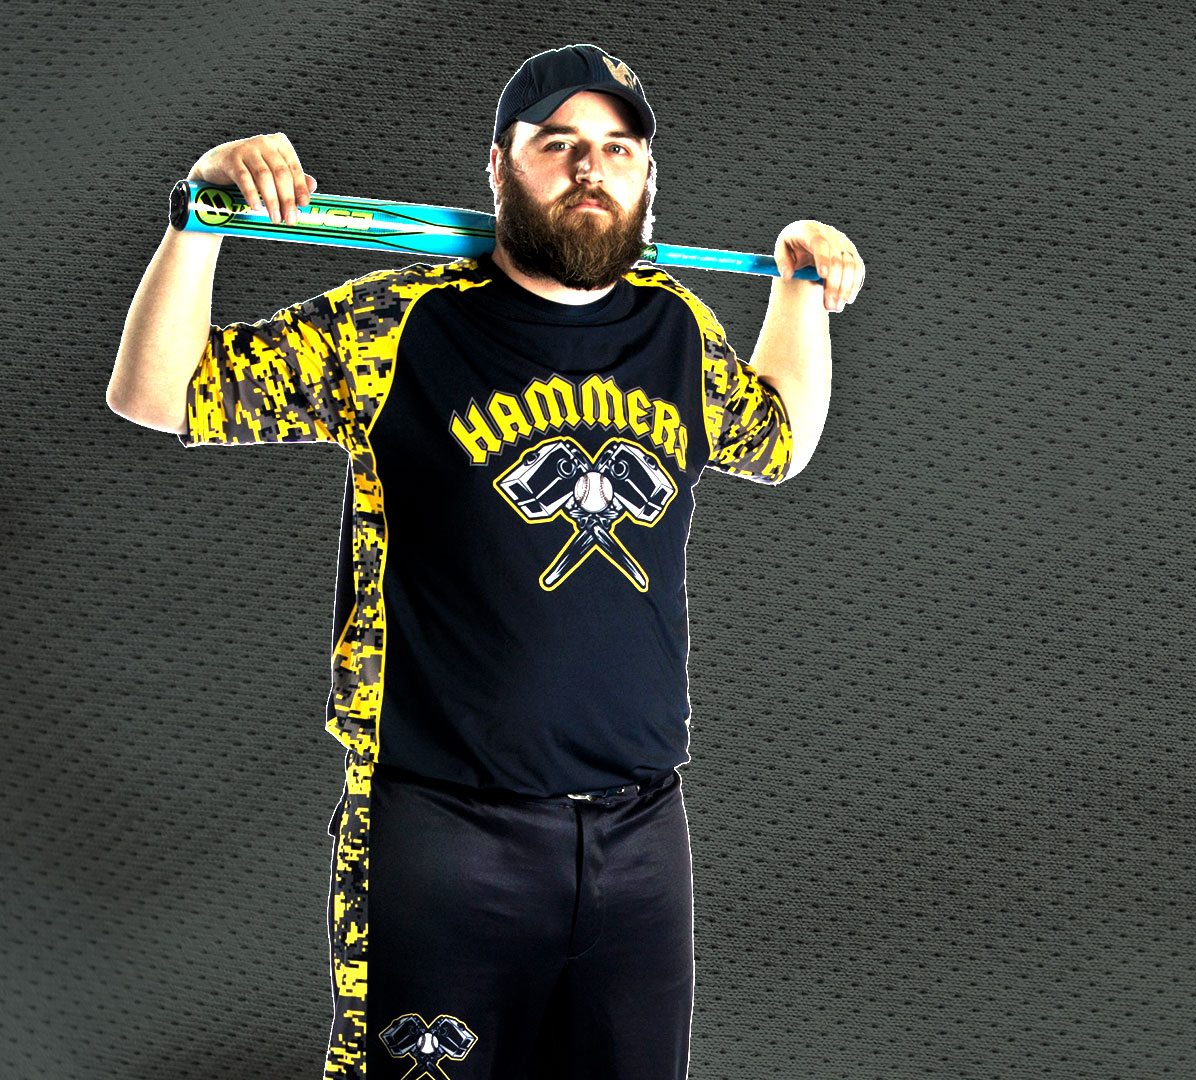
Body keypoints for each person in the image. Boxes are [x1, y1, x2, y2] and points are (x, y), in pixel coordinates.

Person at [105, 42, 863, 1080]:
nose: (590, 168)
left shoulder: (679, 331)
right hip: (443, 830)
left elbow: (776, 437)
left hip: (642, 830)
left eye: (617, 148)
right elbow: (160, 393)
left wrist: (799, 286)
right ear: (501, 167)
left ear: (647, 180)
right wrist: (197, 219)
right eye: (557, 145)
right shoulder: (401, 325)